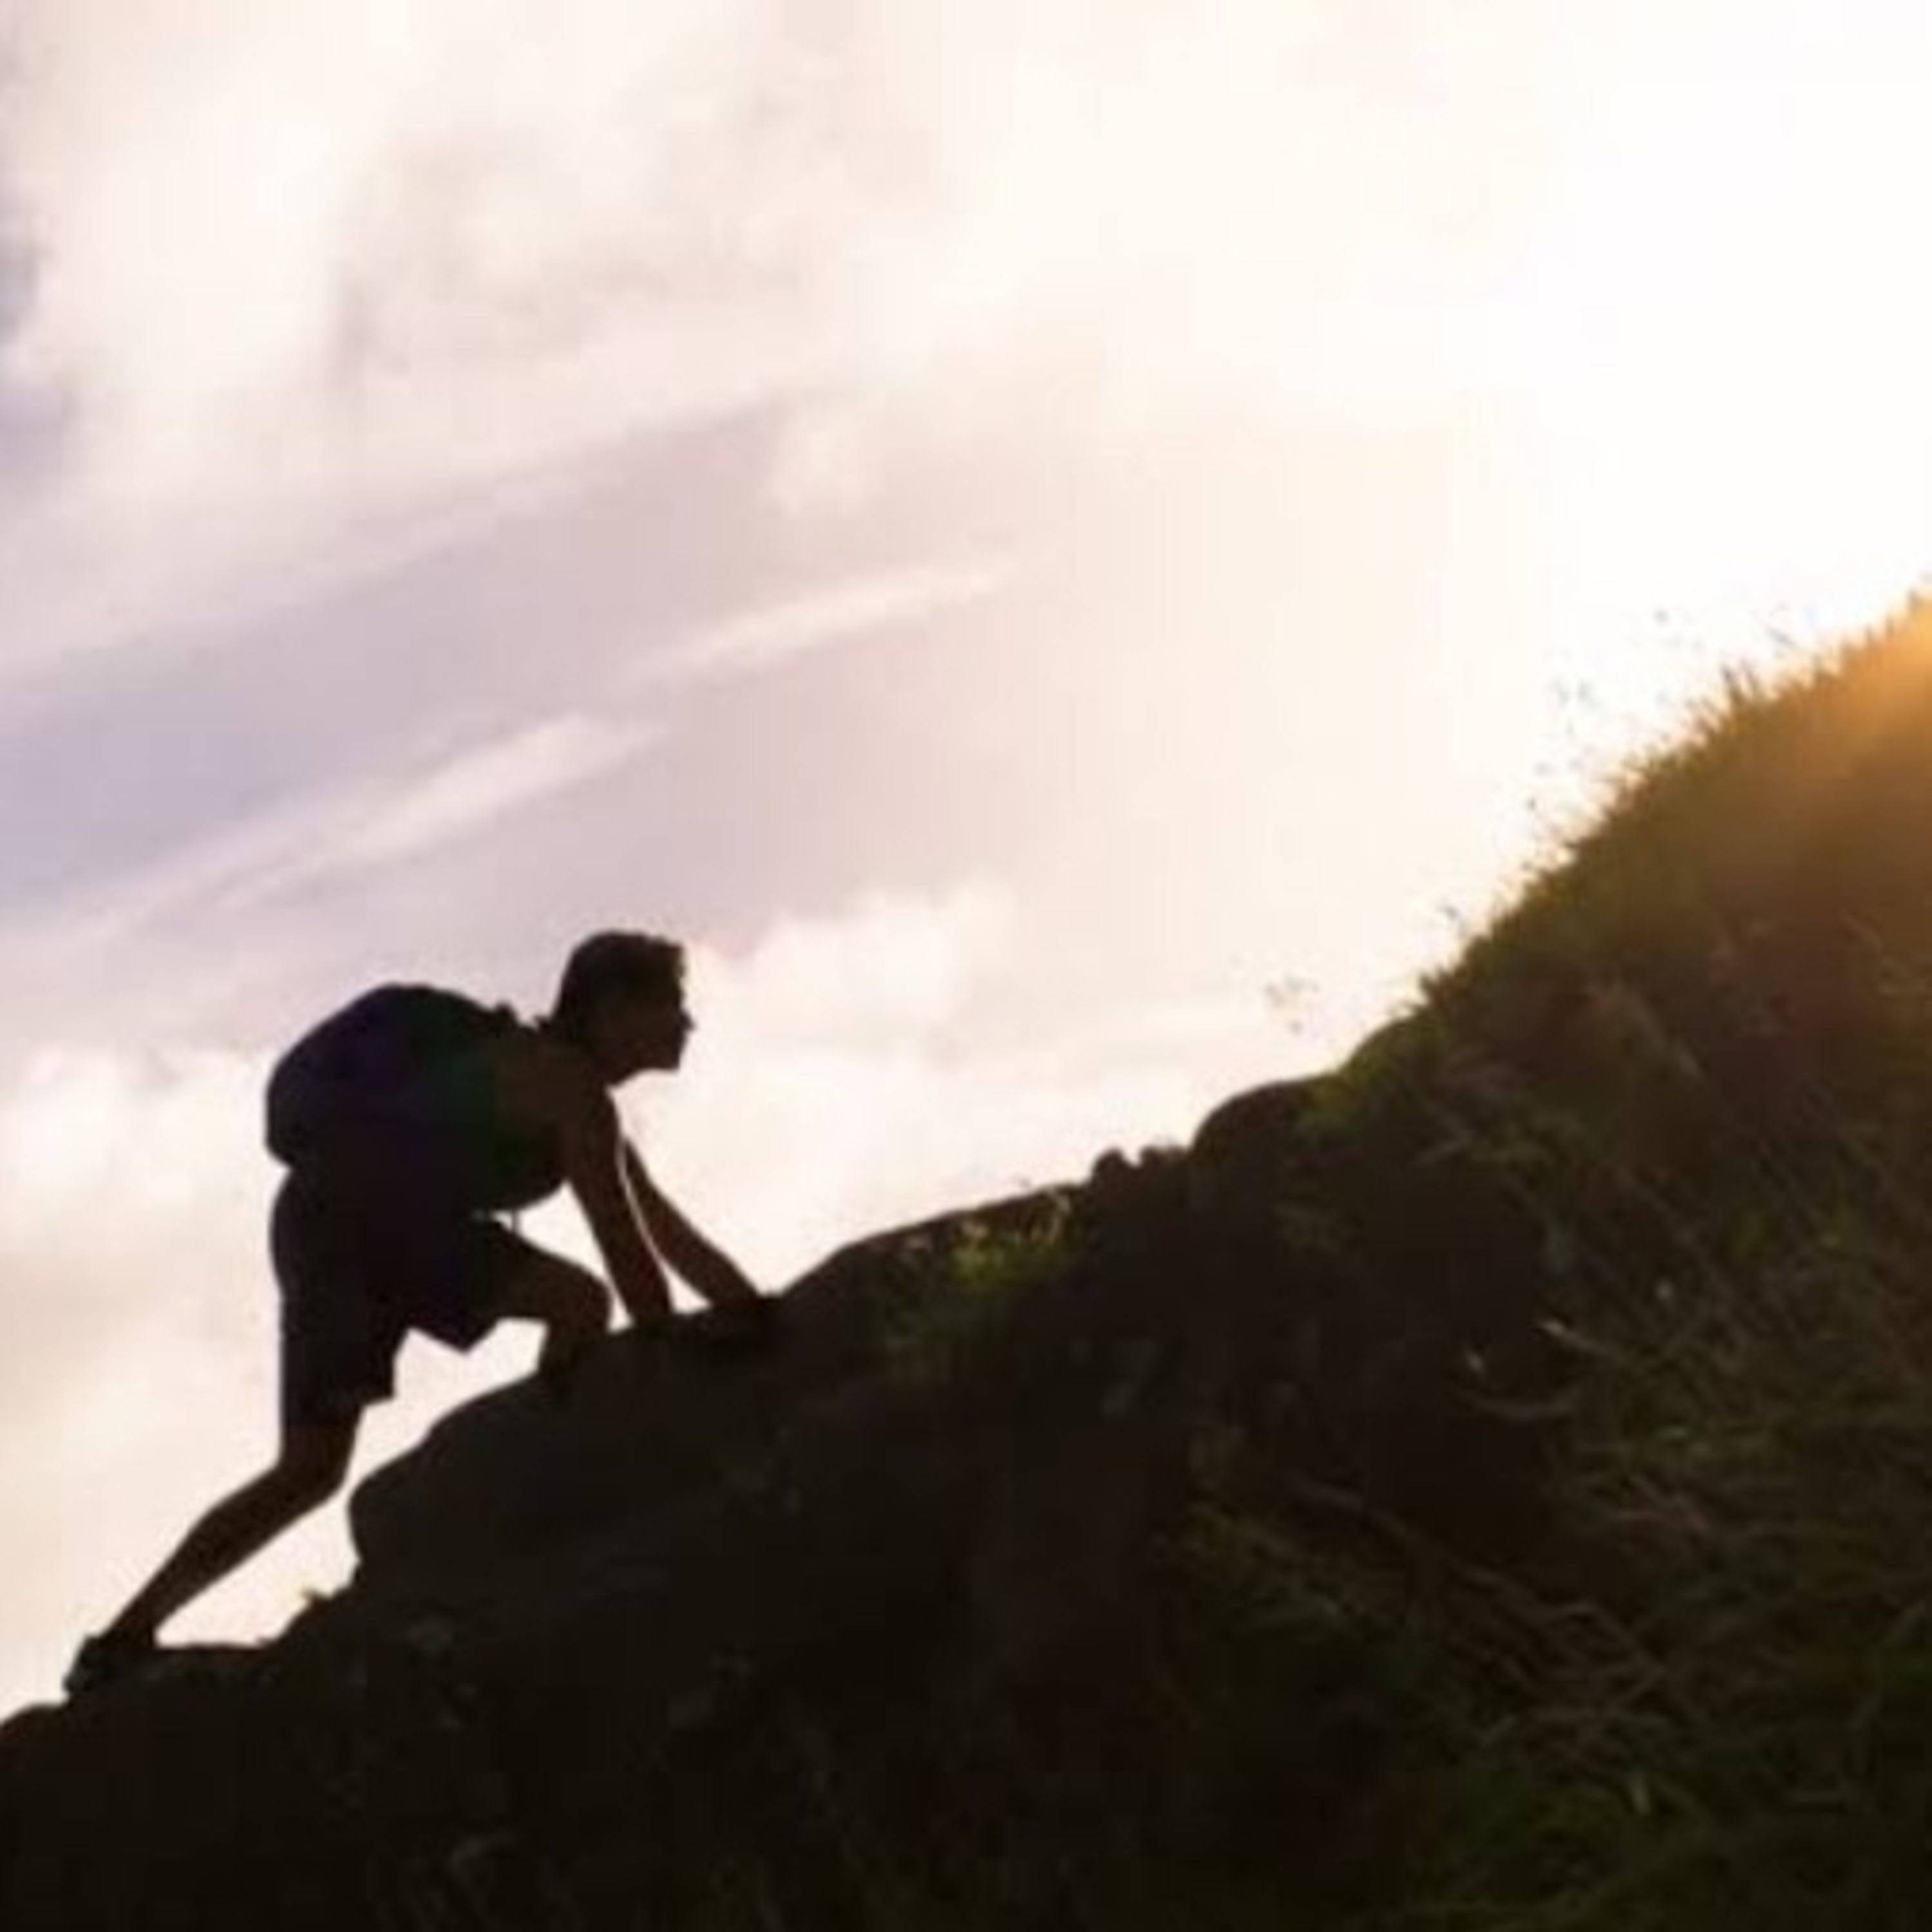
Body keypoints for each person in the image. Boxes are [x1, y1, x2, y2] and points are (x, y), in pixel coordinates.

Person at [65, 929, 768, 1695]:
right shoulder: (569, 1087)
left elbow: (668, 1232)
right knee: (579, 1303)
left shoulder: (567, 1092)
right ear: (614, 1007)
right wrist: (669, 1343)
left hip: (318, 1218)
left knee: (308, 1470)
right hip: (380, 1217)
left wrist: (753, 1310)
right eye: (673, 1006)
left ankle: (120, 1641)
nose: (687, 1026)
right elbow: (623, 1240)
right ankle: (548, 1492)